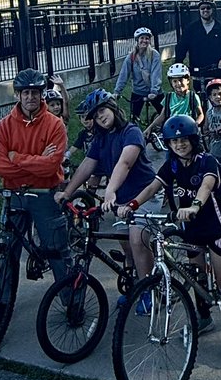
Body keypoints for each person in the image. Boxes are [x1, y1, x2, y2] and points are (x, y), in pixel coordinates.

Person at [117, 114, 221, 366]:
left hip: (214, 225)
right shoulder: (172, 165)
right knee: (196, 272)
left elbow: (206, 186)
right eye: (174, 142)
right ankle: (204, 316)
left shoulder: (206, 161)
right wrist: (132, 204)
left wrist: (196, 205)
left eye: (184, 140)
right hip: (191, 226)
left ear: (193, 140)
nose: (179, 145)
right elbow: (153, 187)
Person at [56, 91, 156, 310]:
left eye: (102, 110)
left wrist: (110, 191)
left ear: (112, 106)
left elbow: (125, 163)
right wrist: (68, 192)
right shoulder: (101, 138)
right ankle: (136, 283)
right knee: (125, 243)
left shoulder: (131, 132)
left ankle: (149, 291)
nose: (100, 117)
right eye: (95, 115)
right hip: (122, 200)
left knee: (137, 239)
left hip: (145, 195)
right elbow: (87, 165)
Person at [0, 67, 71, 288]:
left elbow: (50, 167)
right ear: (18, 95)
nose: (30, 97)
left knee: (56, 250)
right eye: (25, 92)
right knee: (7, 251)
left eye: (35, 92)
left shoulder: (55, 125)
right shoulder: (4, 126)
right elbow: (0, 168)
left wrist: (16, 158)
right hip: (14, 193)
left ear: (42, 94)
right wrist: (37, 160)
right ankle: (1, 303)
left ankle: (71, 298)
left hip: (44, 193)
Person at [173, 0, 221, 91]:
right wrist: (178, 63)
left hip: (217, 71)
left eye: (208, 8)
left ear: (212, 10)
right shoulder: (191, 29)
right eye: (202, 8)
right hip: (198, 70)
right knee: (197, 101)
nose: (205, 10)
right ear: (199, 10)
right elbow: (182, 46)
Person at [113, 27, 164, 124]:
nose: (144, 41)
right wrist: (117, 92)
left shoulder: (154, 55)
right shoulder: (131, 57)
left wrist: (154, 91)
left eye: (147, 38)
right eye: (142, 38)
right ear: (137, 40)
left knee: (165, 114)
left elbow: (155, 74)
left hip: (154, 91)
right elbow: (124, 74)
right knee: (133, 118)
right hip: (138, 91)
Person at [144, 63, 203, 136]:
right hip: (172, 130)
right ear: (171, 83)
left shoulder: (192, 96)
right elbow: (162, 116)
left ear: (187, 80)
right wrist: (150, 127)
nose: (178, 84)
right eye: (175, 81)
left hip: (188, 129)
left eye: (181, 80)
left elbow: (200, 114)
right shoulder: (169, 97)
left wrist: (195, 124)